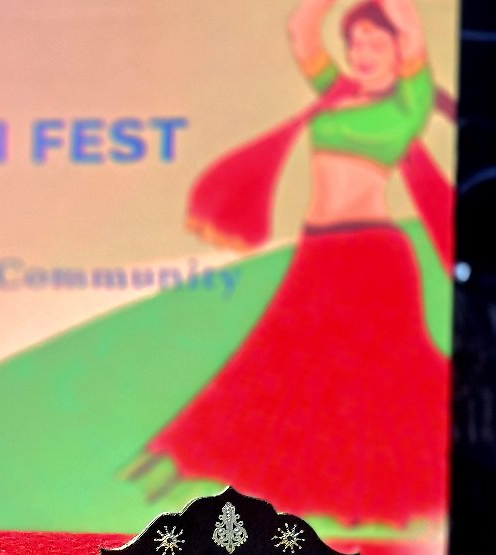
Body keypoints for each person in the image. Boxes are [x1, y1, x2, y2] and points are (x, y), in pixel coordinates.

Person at [129, 0, 453, 527]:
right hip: (318, 254)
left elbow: (411, 25)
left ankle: (369, 495)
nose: (362, 52)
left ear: (400, 53)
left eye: (376, 42)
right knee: (287, 375)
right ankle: (269, 498)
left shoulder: (408, 102)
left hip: (372, 257)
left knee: (377, 383)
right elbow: (302, 28)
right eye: (355, 42)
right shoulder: (337, 93)